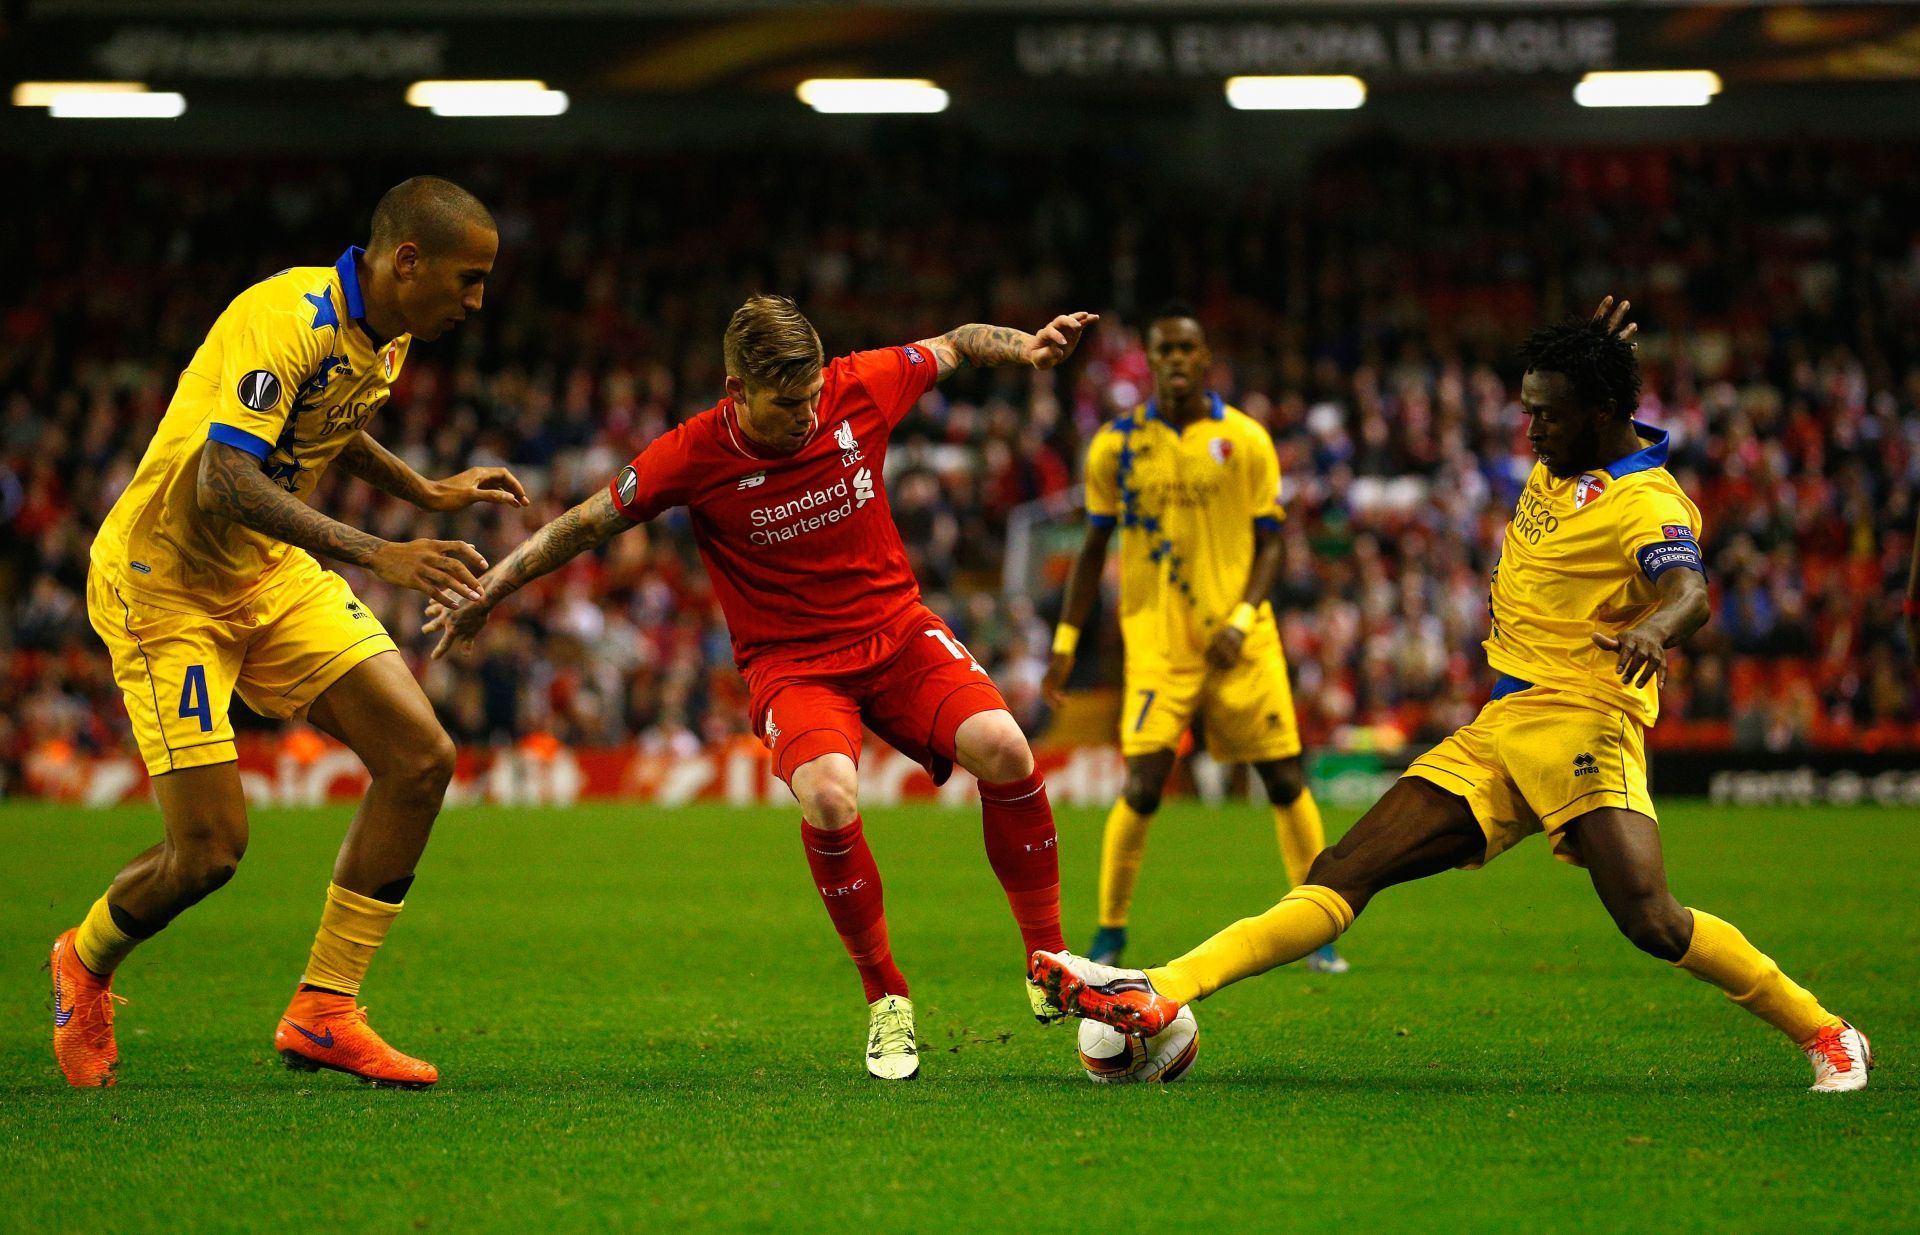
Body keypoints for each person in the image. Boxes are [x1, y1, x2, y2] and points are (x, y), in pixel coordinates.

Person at [1032, 298, 1873, 1093]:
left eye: (1546, 412)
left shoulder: (1645, 501)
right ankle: (1161, 988)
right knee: (1341, 871)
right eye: (1527, 408)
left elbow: (1689, 587)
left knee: (1652, 920)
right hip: (1503, 725)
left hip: (1584, 725)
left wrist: (1659, 627)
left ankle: (1826, 1030)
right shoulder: (1574, 446)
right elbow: (1597, 402)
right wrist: (1597, 358)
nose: (1530, 428)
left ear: (1602, 409)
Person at [427, 295, 1098, 1080]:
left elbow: (955, 344)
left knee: (1006, 745)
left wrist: (1029, 349)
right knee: (830, 797)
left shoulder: (861, 384)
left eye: (813, 397)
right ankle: (886, 998)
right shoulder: (691, 453)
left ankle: (1047, 958)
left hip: (895, 630)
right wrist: (492, 590)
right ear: (735, 388)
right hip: (793, 662)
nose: (808, 417)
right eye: (786, 404)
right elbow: (583, 524)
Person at [52, 176, 528, 1090]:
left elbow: (323, 427)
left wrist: (423, 490)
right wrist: (380, 551)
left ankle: (324, 1010)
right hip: (164, 586)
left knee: (421, 757)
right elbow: (223, 480)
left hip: (263, 573)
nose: (476, 302)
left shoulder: (381, 338)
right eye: (468, 280)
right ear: (408, 261)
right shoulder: (288, 315)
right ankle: (85, 958)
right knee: (209, 853)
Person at [1043, 302, 1343, 973]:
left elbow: (1272, 541)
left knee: (1284, 776)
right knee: (1144, 784)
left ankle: (1319, 924)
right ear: (1149, 360)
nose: (1176, 360)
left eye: (1188, 350)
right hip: (1158, 643)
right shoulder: (1115, 447)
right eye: (1165, 350)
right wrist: (1066, 639)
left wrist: (1241, 617)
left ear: (1206, 360)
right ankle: (1110, 931)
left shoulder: (1246, 440)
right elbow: (1092, 548)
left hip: (1242, 636)